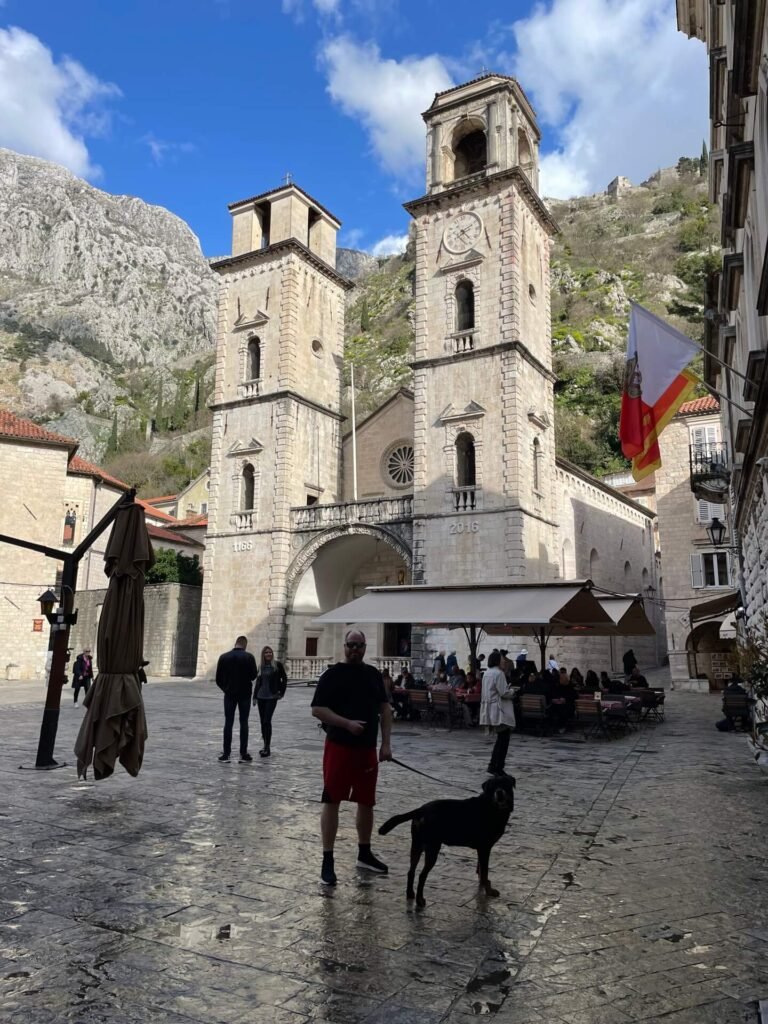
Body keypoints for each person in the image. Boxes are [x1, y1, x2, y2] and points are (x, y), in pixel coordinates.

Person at [310, 629, 392, 887]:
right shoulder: (332, 675)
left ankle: (364, 853)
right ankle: (327, 859)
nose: (354, 649)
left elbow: (385, 708)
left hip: (367, 748)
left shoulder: (372, 675)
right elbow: (318, 710)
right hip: (339, 746)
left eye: (359, 645)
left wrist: (386, 744)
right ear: (344, 646)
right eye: (350, 645)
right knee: (332, 799)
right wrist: (346, 724)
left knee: (367, 801)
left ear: (365, 647)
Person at [216, 635, 257, 763]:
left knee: (228, 722)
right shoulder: (249, 657)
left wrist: (226, 688)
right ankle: (243, 753)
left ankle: (226, 754)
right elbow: (253, 675)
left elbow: (218, 679)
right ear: (245, 645)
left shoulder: (223, 657)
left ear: (235, 643)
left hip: (229, 694)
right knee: (243, 722)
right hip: (245, 694)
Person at [480, 650, 516, 777]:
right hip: (500, 711)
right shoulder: (499, 674)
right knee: (503, 740)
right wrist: (512, 691)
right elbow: (503, 692)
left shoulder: (487, 673)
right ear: (497, 661)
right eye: (502, 660)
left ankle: (493, 765)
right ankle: (498, 767)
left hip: (490, 709)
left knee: (501, 739)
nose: (504, 661)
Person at [252, 646, 287, 758]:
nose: (268, 654)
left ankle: (267, 747)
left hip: (272, 697)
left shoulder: (277, 665)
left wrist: (281, 692)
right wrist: (254, 696)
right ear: (263, 654)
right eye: (266, 652)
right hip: (261, 696)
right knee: (262, 721)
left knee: (267, 720)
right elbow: (258, 682)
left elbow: (284, 679)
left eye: (270, 652)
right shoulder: (261, 666)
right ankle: (264, 745)